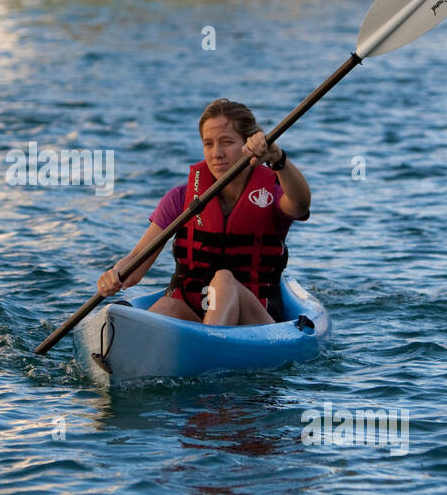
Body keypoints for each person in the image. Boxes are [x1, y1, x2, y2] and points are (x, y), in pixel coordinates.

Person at [96, 99, 311, 325]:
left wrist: (278, 159)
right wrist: (115, 274)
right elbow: (136, 263)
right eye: (208, 144)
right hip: (198, 314)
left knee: (223, 279)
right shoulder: (180, 199)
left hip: (256, 322)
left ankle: (209, 344)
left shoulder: (271, 195)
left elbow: (300, 205)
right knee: (168, 305)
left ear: (248, 144)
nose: (216, 153)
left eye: (226, 142)